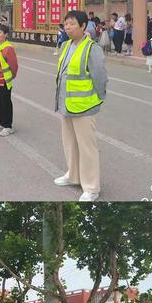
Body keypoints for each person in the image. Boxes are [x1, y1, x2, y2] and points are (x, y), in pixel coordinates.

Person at [54, 10, 107, 202]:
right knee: (70, 143)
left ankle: (92, 187)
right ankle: (73, 175)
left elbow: (100, 77)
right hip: (66, 105)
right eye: (66, 24)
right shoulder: (66, 45)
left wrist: (98, 98)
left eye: (72, 24)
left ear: (84, 26)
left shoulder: (91, 48)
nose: (68, 27)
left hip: (84, 106)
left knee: (87, 148)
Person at [0, 24, 18, 138]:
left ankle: (8, 126)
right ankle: (1, 123)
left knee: (5, 103)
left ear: (5, 35)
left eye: (0, 32)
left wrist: (11, 76)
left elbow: (14, 65)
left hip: (4, 80)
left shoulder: (8, 48)